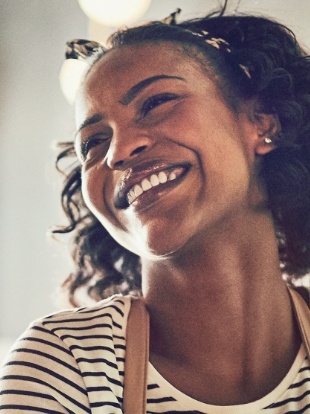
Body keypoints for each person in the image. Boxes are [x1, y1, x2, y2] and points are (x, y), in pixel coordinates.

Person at [1, 3, 310, 412]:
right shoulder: (66, 364)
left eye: (156, 102)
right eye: (93, 143)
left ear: (262, 122)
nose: (118, 151)